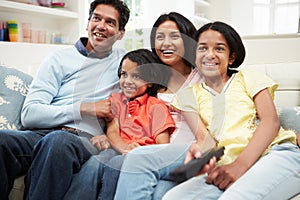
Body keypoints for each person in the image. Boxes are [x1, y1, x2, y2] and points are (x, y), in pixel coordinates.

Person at [0, 0, 130, 200]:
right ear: (87, 24)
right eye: (96, 18)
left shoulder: (125, 64)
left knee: (57, 141)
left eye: (110, 22)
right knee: (3, 141)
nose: (101, 26)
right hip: (41, 134)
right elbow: (29, 115)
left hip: (84, 139)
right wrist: (84, 108)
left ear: (121, 33)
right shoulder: (58, 59)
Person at [162, 21, 300, 199]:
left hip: (273, 155)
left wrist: (240, 166)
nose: (209, 55)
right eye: (202, 48)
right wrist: (201, 163)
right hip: (227, 164)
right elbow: (205, 140)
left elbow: (270, 122)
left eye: (219, 49)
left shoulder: (248, 77)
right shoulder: (186, 96)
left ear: (231, 58)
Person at [113, 12, 207, 200]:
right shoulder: (149, 81)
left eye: (174, 36)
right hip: (154, 154)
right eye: (159, 37)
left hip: (190, 152)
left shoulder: (202, 77)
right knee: (159, 192)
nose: (165, 44)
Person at [96, 48, 176, 200]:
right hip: (120, 149)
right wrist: (126, 149)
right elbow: (113, 131)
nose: (127, 81)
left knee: (116, 163)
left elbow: (162, 143)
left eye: (136, 76)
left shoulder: (156, 106)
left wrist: (139, 154)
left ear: (151, 82)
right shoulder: (116, 100)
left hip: (143, 156)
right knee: (98, 163)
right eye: (123, 74)